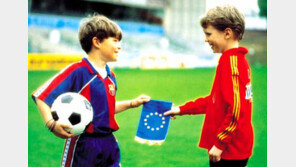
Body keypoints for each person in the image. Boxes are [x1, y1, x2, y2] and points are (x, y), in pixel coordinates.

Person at [32, 14, 150, 167]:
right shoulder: (78, 71)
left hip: (109, 143)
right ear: (97, 42)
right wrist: (51, 124)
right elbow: (41, 95)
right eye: (115, 40)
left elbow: (105, 110)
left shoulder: (110, 76)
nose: (119, 46)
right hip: (83, 144)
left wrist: (132, 103)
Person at [164, 5, 253, 167]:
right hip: (232, 148)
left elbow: (236, 110)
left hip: (229, 150)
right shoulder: (236, 60)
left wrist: (220, 143)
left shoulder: (231, 62)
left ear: (227, 33)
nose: (206, 39)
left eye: (209, 34)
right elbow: (216, 101)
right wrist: (182, 109)